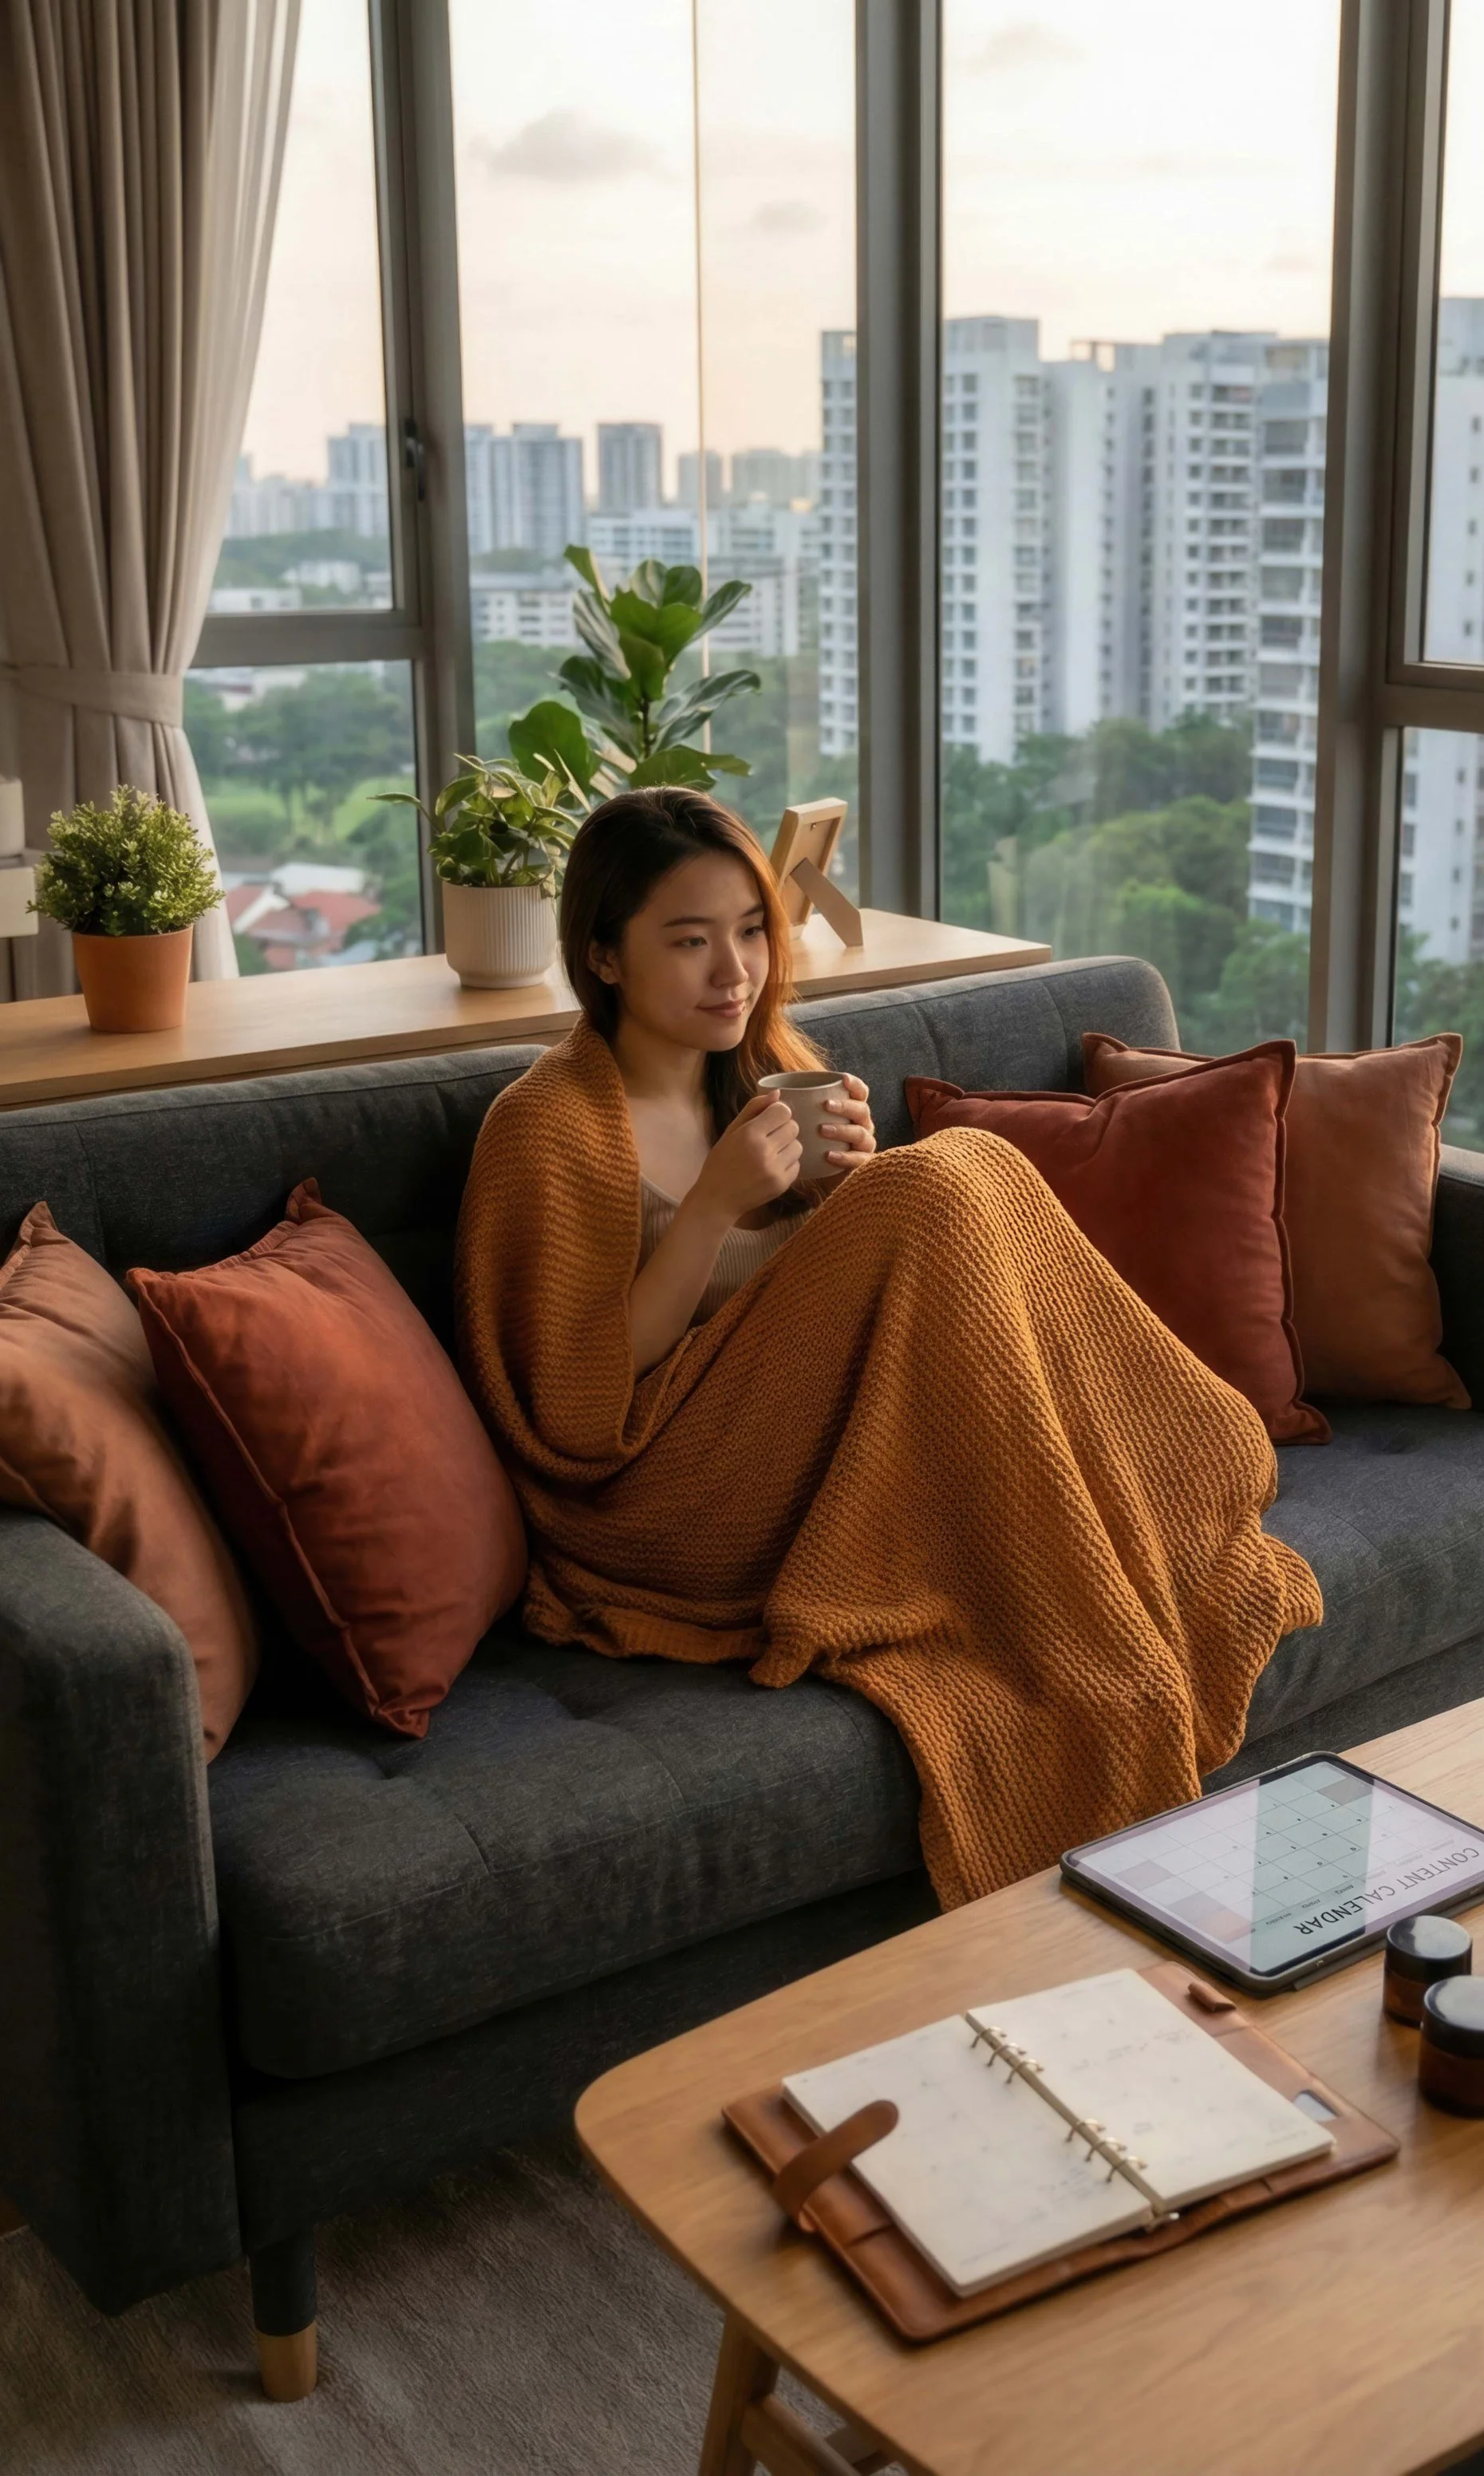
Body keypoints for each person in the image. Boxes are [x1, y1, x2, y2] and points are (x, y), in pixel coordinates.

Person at [454, 787, 1321, 1906]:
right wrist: (718, 1203)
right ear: (603, 956)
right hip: (652, 1501)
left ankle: (1177, 1468)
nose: (734, 970)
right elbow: (576, 1404)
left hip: (779, 1441)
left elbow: (808, 1316)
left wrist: (836, 1203)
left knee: (962, 1172)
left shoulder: (760, 1074)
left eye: (751, 930)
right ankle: (1142, 1526)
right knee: (940, 1180)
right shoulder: (546, 1126)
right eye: (689, 940)